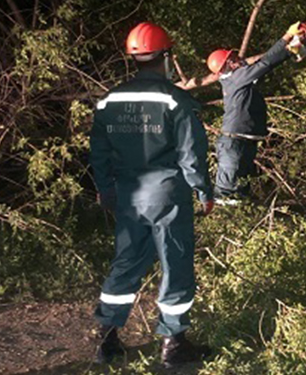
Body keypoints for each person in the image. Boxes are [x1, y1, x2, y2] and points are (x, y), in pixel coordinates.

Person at [89, 22, 214, 368]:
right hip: (168, 198)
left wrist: (106, 190)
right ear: (167, 56)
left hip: (128, 198)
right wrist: (204, 190)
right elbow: (191, 155)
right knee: (175, 264)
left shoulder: (109, 101)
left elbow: (99, 153)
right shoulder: (175, 100)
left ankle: (106, 339)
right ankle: (174, 345)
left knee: (126, 263)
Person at [203, 22, 306, 204]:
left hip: (242, 142)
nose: (239, 58)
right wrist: (290, 50)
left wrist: (287, 37)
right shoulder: (237, 77)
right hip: (234, 143)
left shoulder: (238, 78)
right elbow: (266, 64)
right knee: (224, 195)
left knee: (241, 194)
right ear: (229, 63)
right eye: (234, 57)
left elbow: (265, 60)